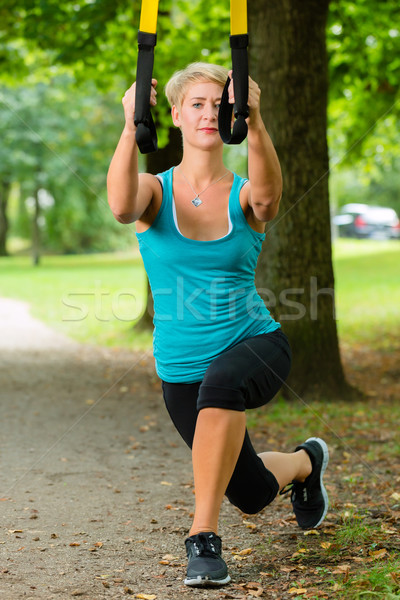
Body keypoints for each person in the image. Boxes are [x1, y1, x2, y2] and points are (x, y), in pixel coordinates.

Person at [107, 62, 329, 587]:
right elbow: (119, 208)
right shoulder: (152, 191)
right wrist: (127, 124)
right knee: (251, 493)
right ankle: (305, 463)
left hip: (254, 344)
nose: (210, 113)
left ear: (232, 115)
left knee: (223, 385)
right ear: (177, 115)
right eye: (198, 104)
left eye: (219, 104)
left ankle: (202, 539)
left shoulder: (246, 192)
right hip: (181, 366)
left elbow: (271, 197)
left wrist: (256, 121)